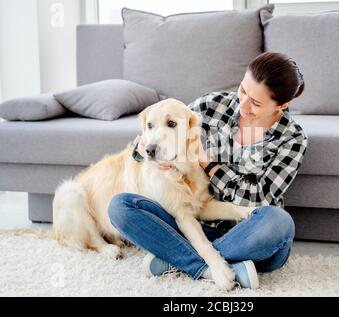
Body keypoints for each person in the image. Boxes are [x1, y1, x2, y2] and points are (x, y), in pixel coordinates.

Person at [108, 52, 308, 289]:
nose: (243, 105)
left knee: (279, 222)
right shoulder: (211, 106)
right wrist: (149, 152)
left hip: (250, 233)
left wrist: (207, 163)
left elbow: (257, 196)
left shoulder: (292, 139)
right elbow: (144, 140)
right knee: (120, 206)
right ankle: (208, 267)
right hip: (195, 223)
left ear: (282, 105)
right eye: (243, 90)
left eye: (256, 103)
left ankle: (180, 258)